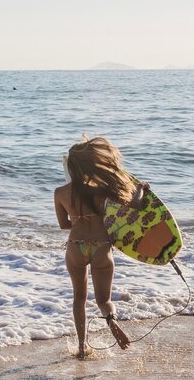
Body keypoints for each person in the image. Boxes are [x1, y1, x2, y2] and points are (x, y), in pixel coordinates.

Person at [54, 136, 135, 358]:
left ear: (70, 167)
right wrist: (143, 190)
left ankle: (82, 346)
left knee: (79, 298)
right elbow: (129, 208)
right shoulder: (104, 189)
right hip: (101, 247)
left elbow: (64, 225)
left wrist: (80, 222)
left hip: (76, 246)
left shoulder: (60, 192)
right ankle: (112, 324)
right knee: (104, 300)